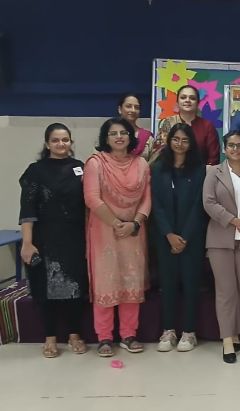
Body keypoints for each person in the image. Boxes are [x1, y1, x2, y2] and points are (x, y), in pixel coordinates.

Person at [18, 123, 88, 358]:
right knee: (44, 288)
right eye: (56, 140)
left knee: (76, 287)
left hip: (75, 237)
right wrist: (27, 243)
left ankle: (74, 334)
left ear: (71, 142)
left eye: (65, 140)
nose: (61, 144)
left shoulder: (80, 168)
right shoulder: (35, 171)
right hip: (44, 238)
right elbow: (27, 209)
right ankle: (49, 337)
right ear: (47, 144)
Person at [83, 117, 151, 357]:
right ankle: (104, 337)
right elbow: (92, 199)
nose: (119, 137)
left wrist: (135, 223)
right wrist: (116, 223)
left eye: (124, 133)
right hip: (104, 231)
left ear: (131, 137)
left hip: (133, 231)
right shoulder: (96, 163)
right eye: (113, 133)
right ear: (106, 138)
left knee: (131, 281)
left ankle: (129, 335)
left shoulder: (141, 164)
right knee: (106, 281)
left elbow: (147, 199)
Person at [203, 130, 240, 364]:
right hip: (220, 239)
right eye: (231, 145)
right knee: (226, 290)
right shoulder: (213, 173)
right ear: (225, 148)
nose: (236, 149)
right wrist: (235, 221)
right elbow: (208, 203)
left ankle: (236, 331)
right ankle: (226, 338)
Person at [152, 123, 207, 353]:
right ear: (169, 141)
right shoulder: (158, 168)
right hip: (165, 237)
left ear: (191, 143)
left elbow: (198, 205)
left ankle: (189, 331)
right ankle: (168, 330)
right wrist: (169, 234)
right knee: (168, 284)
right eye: (176, 139)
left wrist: (184, 236)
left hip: (191, 238)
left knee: (191, 284)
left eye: (185, 140)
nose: (180, 144)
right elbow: (156, 204)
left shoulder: (199, 170)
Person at [151, 85, 220, 165]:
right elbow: (158, 154)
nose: (187, 100)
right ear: (177, 102)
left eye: (192, 98)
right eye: (183, 97)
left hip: (201, 171)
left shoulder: (207, 126)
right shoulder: (168, 123)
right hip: (170, 171)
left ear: (198, 103)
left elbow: (214, 158)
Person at [117, 93, 154, 160]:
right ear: (120, 109)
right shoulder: (110, 135)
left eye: (136, 107)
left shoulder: (148, 138)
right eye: (128, 106)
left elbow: (153, 163)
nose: (133, 110)